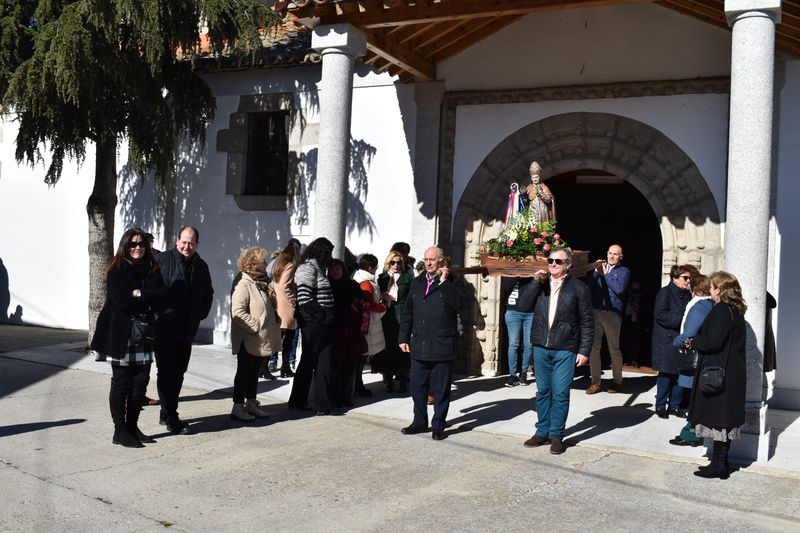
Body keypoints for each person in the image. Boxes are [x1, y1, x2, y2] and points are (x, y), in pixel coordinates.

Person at [91, 228, 166, 448]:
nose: (137, 248)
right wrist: (144, 298)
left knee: (140, 383)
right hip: (121, 334)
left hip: (143, 334)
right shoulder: (117, 268)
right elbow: (122, 302)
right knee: (121, 384)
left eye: (141, 244)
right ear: (125, 245)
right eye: (133, 244)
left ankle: (133, 427)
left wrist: (140, 293)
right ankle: (120, 431)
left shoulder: (152, 267)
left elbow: (162, 295)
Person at [517, 248, 593, 455]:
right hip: (541, 346)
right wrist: (535, 282)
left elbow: (587, 322)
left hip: (565, 348)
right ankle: (542, 431)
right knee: (543, 391)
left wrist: (584, 350)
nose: (553, 264)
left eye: (558, 261)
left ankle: (557, 435)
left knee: (560, 393)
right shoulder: (540, 285)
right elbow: (523, 305)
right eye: (550, 260)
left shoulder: (579, 288)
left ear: (568, 265)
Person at [685, 271, 747, 479]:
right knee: (723, 419)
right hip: (730, 372)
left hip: (720, 373)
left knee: (719, 418)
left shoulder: (721, 310)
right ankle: (720, 463)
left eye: (712, 287)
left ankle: (720, 465)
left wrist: (693, 341)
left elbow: (714, 342)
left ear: (718, 290)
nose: (710, 290)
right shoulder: (735, 310)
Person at [398, 246, 463, 441]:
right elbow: (408, 311)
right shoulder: (417, 282)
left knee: (441, 389)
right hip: (419, 343)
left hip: (442, 344)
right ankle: (419, 422)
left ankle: (438, 425)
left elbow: (460, 304)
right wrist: (403, 337)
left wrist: (444, 283)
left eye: (432, 259)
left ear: (442, 262)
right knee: (417, 386)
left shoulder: (454, 282)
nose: (428, 263)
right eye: (426, 259)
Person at [155, 226, 214, 435]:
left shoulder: (201, 266)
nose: (187, 246)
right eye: (184, 241)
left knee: (179, 373)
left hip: (187, 331)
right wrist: (161, 312)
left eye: (191, 243)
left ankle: (166, 412)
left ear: (197, 244)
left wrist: (200, 314)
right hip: (164, 329)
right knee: (166, 373)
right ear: (177, 240)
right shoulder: (162, 261)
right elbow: (153, 291)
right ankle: (171, 417)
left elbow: (208, 294)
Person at [229, 246, 281, 421]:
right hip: (248, 338)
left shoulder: (261, 282)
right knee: (243, 373)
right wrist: (256, 326)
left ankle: (251, 404)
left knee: (253, 373)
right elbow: (237, 312)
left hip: (260, 339)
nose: (266, 263)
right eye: (263, 260)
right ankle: (237, 407)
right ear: (252, 263)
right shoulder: (244, 283)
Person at [288, 237, 337, 415]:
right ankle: (298, 400)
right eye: (329, 252)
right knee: (309, 361)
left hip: (323, 323)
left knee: (324, 362)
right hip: (314, 323)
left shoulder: (318, 269)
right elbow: (304, 298)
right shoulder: (307, 268)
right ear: (321, 252)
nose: (330, 257)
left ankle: (322, 404)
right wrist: (322, 315)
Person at [669, 274, 713, 447]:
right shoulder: (711, 305)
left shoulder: (699, 307)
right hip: (705, 359)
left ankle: (691, 433)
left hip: (696, 359)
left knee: (694, 399)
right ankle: (694, 431)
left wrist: (676, 341)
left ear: (693, 290)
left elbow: (689, 334)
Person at [651, 264, 696, 419]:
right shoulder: (665, 292)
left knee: (680, 373)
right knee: (666, 374)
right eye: (685, 278)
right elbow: (660, 315)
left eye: (689, 278)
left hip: (681, 340)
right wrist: (683, 321)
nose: (688, 281)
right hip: (667, 340)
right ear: (675, 278)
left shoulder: (689, 294)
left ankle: (674, 406)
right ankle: (660, 405)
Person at [585, 244, 631, 394]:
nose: (611, 256)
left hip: (612, 313)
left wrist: (605, 274)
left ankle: (617, 381)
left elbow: (619, 289)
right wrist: (596, 272)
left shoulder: (624, 271)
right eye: (610, 253)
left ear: (620, 257)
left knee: (614, 349)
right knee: (593, 348)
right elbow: (589, 288)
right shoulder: (599, 269)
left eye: (615, 254)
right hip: (596, 311)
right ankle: (595, 382)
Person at [375, 250, 414, 392]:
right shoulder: (382, 277)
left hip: (402, 313)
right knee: (388, 347)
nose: (396, 265)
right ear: (388, 263)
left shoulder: (408, 278)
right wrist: (383, 296)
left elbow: (411, 298)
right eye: (393, 262)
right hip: (387, 315)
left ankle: (403, 378)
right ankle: (388, 379)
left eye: (399, 262)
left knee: (402, 348)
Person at [352, 254, 387, 392]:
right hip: (367, 324)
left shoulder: (361, 278)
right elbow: (369, 305)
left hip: (364, 322)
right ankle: (358, 385)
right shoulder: (366, 282)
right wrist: (383, 306)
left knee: (361, 356)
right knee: (362, 356)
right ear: (370, 268)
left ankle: (357, 384)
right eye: (376, 267)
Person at [271, 241, 301, 378]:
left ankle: (277, 367)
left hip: (279, 304)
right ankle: (284, 368)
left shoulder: (279, 263)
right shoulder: (291, 264)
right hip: (287, 305)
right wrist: (293, 300)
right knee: (287, 338)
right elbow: (284, 286)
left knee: (278, 338)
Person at [501, 276, 535, 387]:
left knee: (528, 344)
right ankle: (512, 374)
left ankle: (523, 373)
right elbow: (506, 286)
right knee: (513, 344)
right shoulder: (510, 269)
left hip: (530, 312)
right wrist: (518, 272)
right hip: (513, 310)